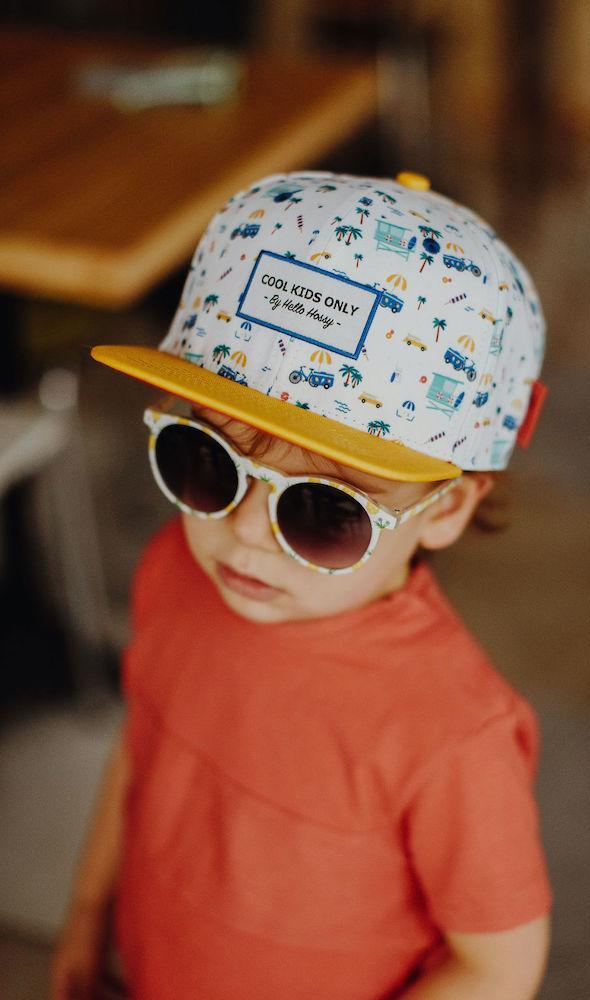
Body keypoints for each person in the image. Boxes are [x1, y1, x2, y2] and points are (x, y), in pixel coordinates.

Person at [52, 170, 552, 1000]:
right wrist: (84, 912)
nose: (244, 531)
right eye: (204, 463)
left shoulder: (452, 734)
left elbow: (497, 966)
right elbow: (140, 747)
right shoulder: (175, 573)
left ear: (446, 508)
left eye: (324, 511)